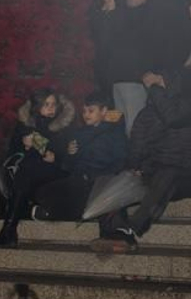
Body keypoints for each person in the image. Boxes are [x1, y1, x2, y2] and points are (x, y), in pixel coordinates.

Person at [90, 53, 191, 253]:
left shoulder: (189, 105)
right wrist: (132, 170)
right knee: (113, 176)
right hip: (155, 174)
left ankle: (134, 228)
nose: (154, 85)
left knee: (169, 172)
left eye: (160, 81)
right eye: (152, 83)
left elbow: (172, 116)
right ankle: (113, 231)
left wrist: (154, 87)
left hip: (186, 176)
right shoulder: (145, 116)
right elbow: (137, 149)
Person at [0, 88, 77, 245]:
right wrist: (26, 146)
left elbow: (67, 154)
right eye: (46, 104)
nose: (51, 108)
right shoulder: (25, 124)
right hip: (23, 166)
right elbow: (12, 151)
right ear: (36, 106)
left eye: (53, 104)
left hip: (51, 171)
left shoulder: (64, 126)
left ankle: (9, 230)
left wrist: (54, 156)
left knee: (25, 174)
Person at [29, 93, 129, 225]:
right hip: (78, 178)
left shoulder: (115, 134)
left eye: (91, 111)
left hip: (98, 182)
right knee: (42, 193)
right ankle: (59, 212)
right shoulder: (80, 133)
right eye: (84, 111)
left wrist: (99, 177)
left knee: (68, 196)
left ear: (104, 111)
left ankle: (58, 213)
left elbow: (121, 161)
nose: (86, 114)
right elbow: (68, 166)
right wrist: (71, 154)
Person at [94, 0, 169, 136]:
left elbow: (131, 40)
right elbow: (106, 42)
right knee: (119, 129)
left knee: (134, 129)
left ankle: (138, 160)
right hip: (117, 79)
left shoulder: (149, 16)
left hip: (134, 80)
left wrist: (114, 13)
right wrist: (107, 14)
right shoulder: (124, 14)